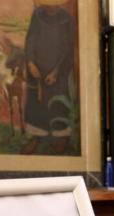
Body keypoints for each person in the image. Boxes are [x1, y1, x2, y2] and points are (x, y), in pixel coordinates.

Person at [22, 0, 75, 155]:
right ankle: (37, 137)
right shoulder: (37, 15)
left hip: (58, 73)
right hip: (37, 70)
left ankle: (61, 137)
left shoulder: (67, 19)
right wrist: (31, 63)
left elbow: (68, 50)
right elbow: (30, 40)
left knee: (57, 103)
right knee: (36, 104)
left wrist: (56, 72)